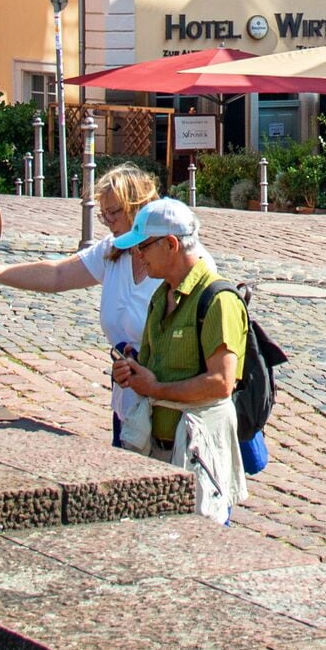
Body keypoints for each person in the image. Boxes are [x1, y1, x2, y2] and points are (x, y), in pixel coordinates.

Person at [0, 163, 164, 452]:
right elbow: (57, 274)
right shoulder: (112, 251)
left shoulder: (170, 258)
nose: (108, 222)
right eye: (103, 215)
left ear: (137, 206)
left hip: (166, 399)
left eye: (114, 213)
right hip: (128, 398)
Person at [110, 198, 246, 523]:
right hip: (157, 449)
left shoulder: (218, 300)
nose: (137, 255)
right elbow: (153, 367)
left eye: (143, 246)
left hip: (198, 455)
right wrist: (131, 369)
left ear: (171, 244)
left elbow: (221, 383)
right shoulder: (162, 294)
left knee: (200, 542)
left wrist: (155, 388)